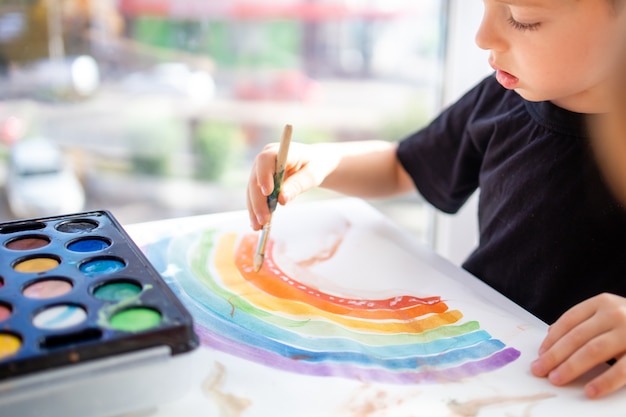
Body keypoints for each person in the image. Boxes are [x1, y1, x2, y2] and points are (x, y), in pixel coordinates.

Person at [247, 0, 626, 399]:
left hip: (581, 392)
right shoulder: (503, 97)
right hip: (474, 361)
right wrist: (329, 160)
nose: (483, 38)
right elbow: (402, 166)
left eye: (521, 18)